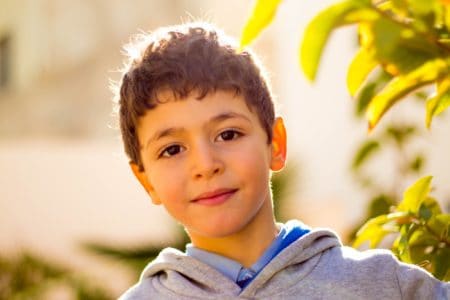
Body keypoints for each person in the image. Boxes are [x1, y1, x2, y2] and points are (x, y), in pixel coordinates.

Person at [114, 22, 449, 299]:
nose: (205, 165)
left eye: (228, 134)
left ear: (275, 143)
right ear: (146, 180)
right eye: (172, 149)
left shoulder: (382, 285)